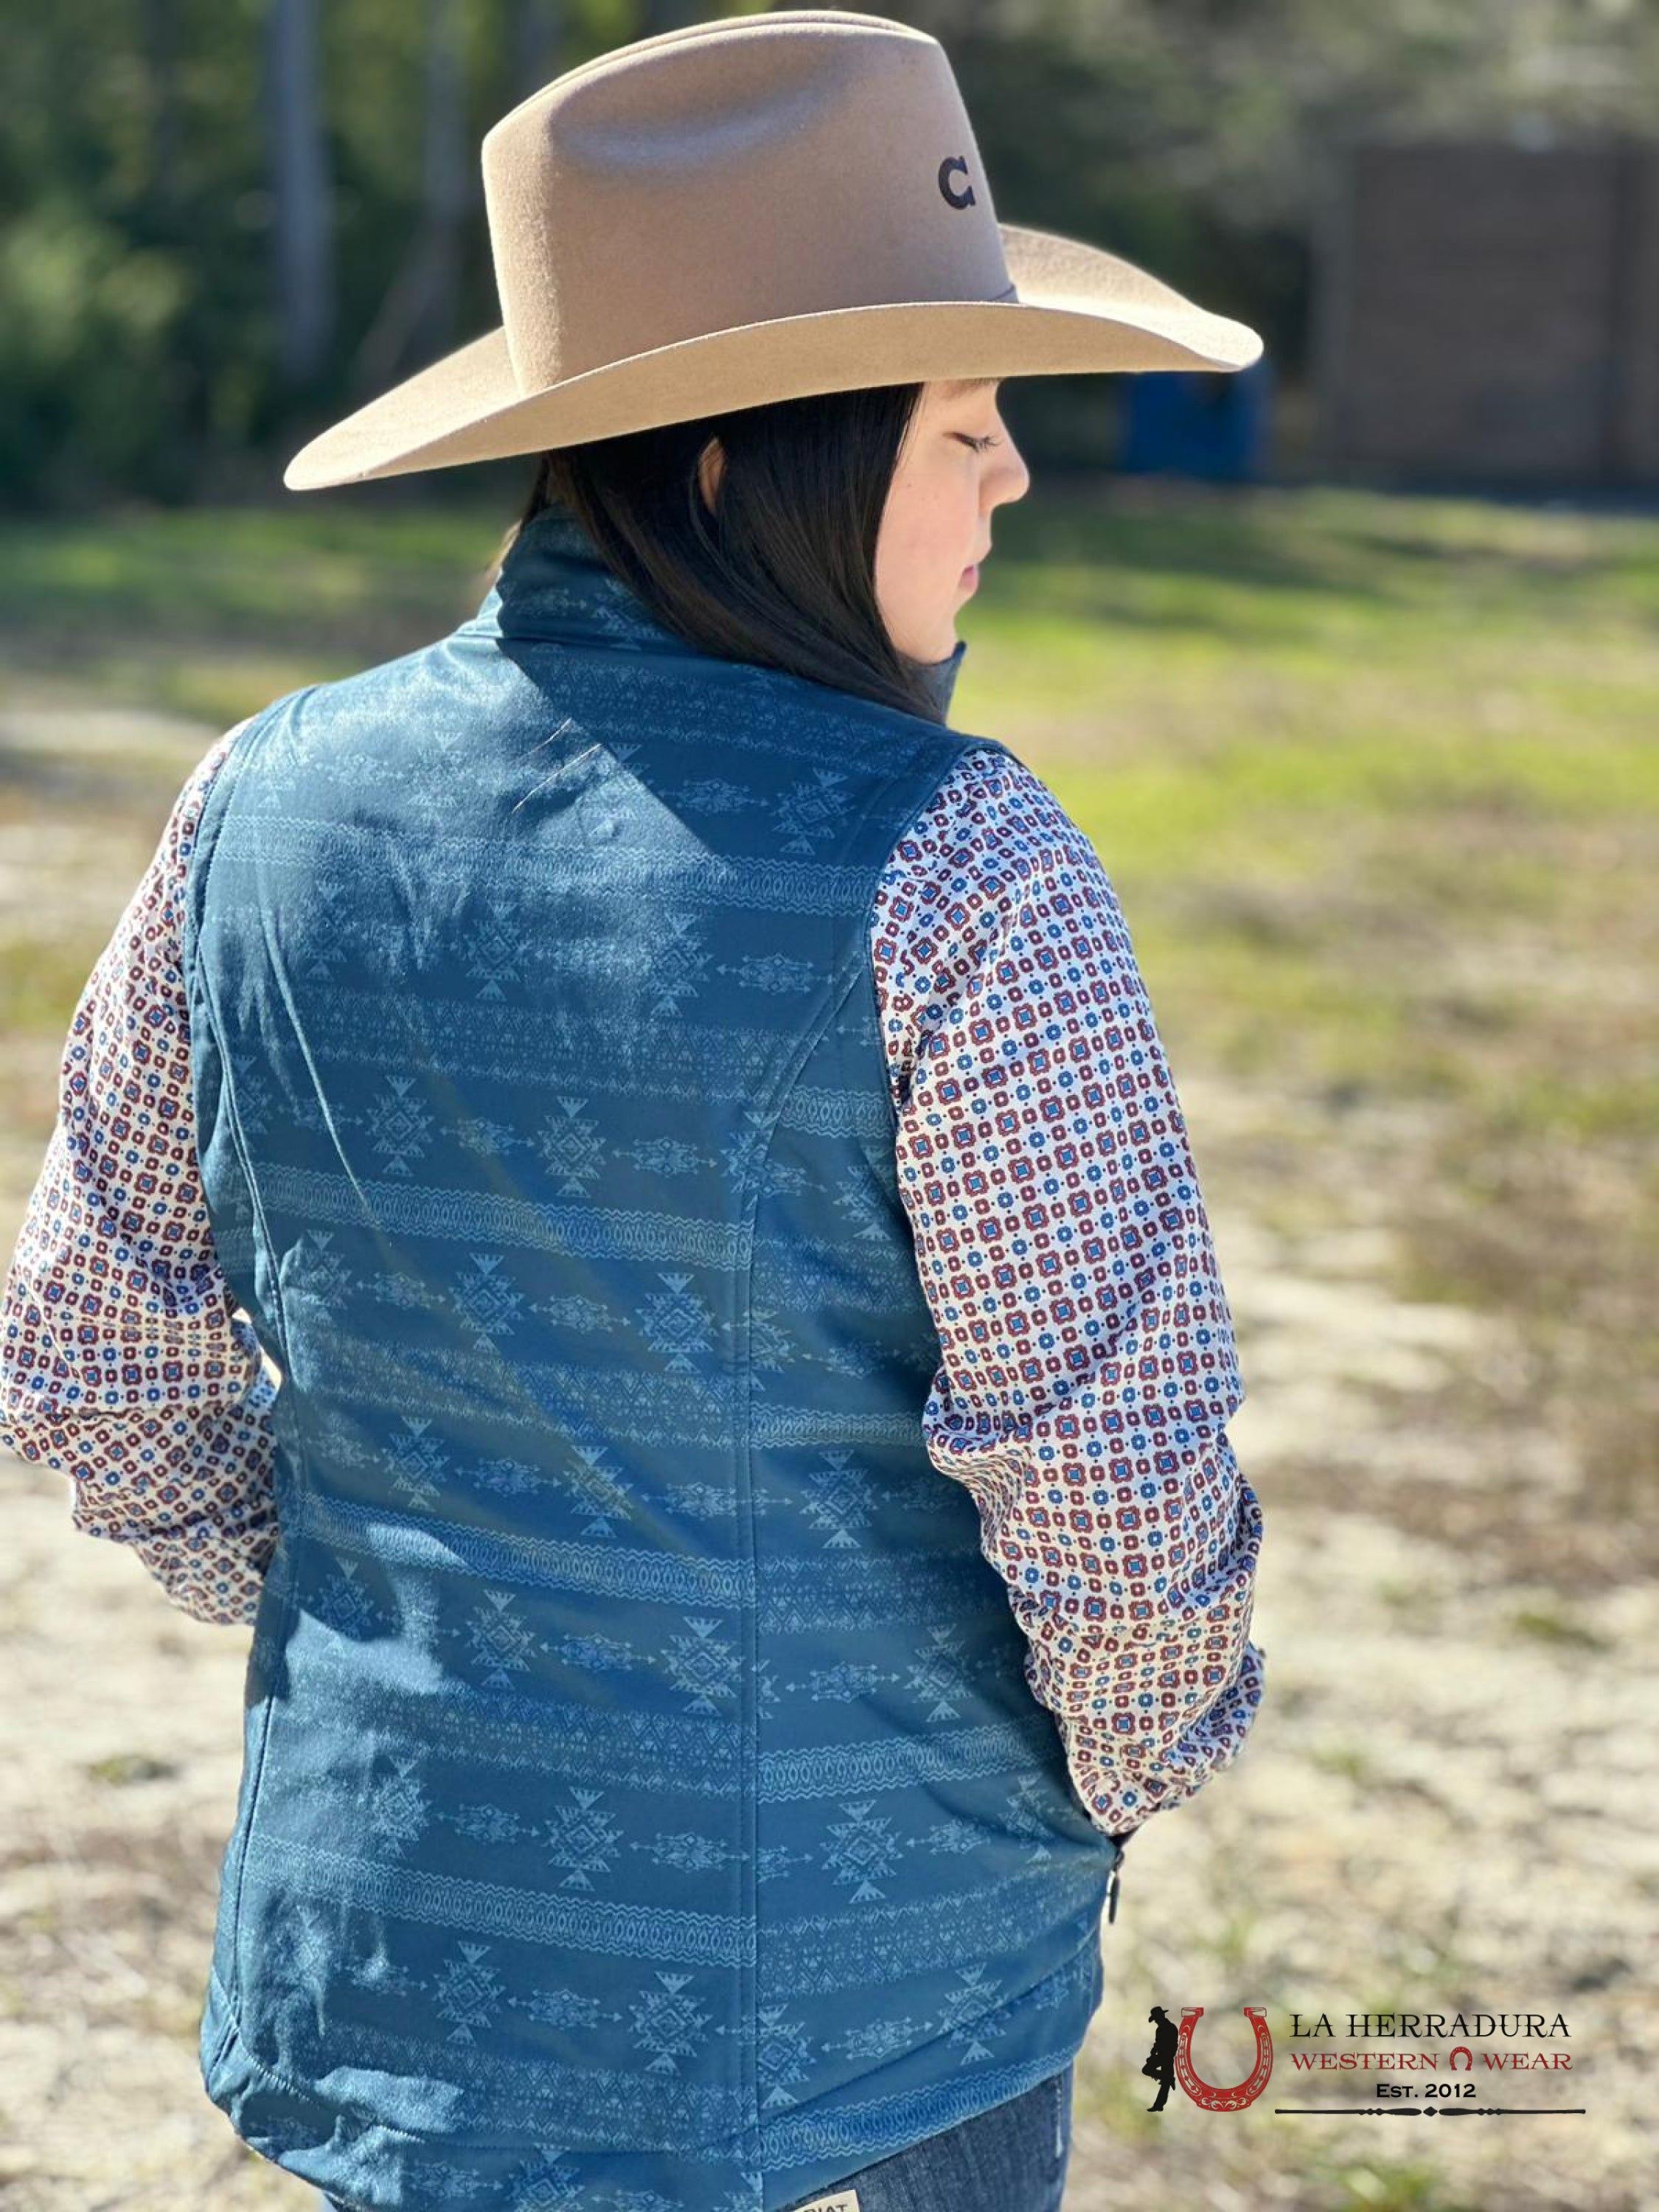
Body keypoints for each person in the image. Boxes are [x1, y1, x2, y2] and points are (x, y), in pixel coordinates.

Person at [0, 13, 1268, 2211]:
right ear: (735, 457)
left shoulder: (253, 801)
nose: (1013, 477)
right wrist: (1120, 1771)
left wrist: (368, 1640)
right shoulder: (960, 864)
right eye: (964, 422)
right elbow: (1109, 1495)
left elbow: (95, 1369)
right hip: (884, 1964)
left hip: (400, 1930)